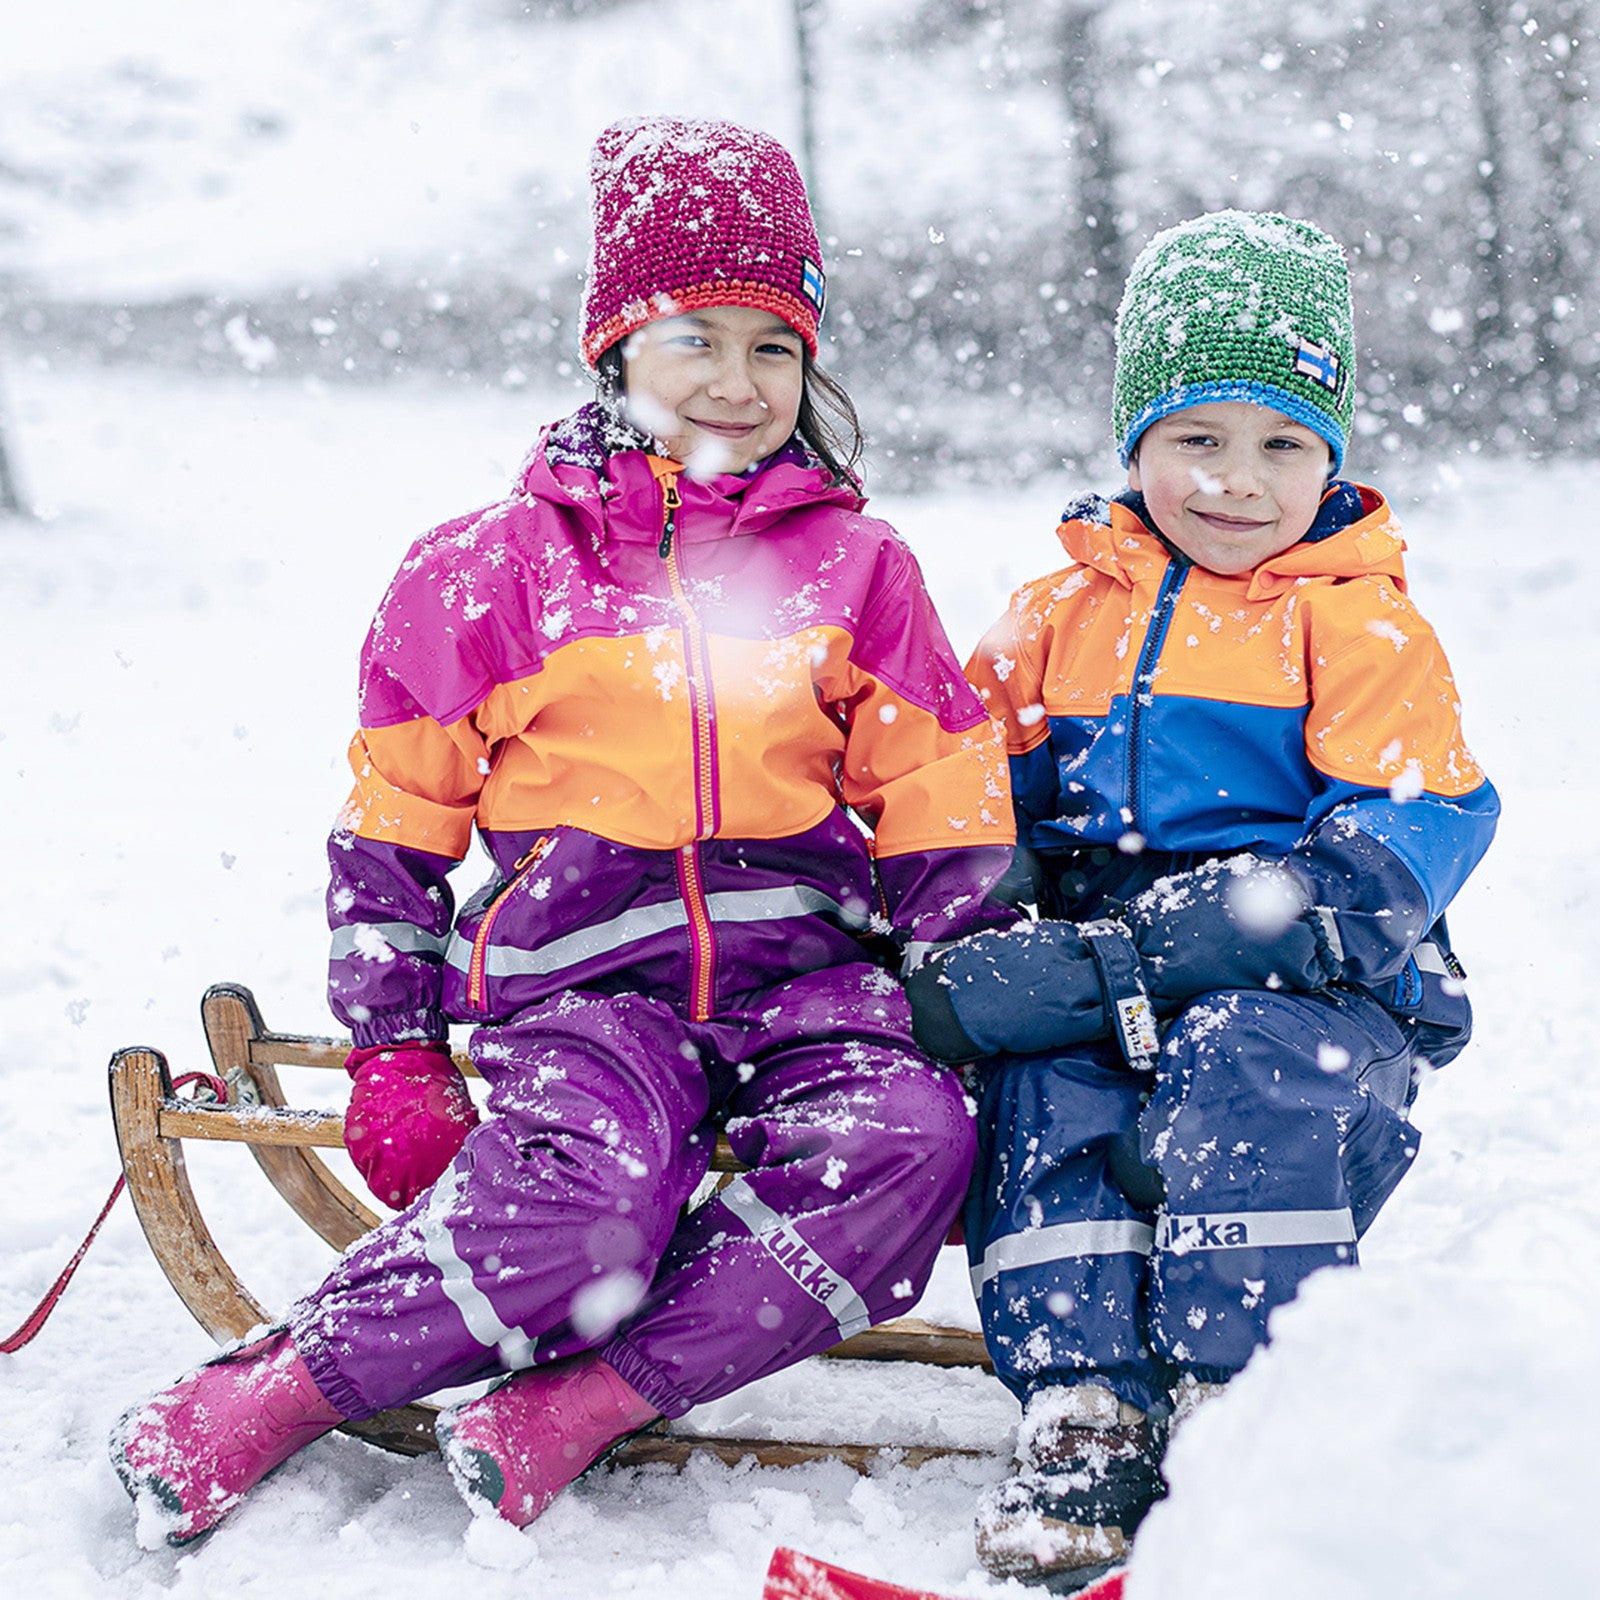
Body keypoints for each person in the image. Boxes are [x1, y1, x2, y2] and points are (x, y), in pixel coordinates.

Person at [110, 116, 1013, 1548]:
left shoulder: (859, 566)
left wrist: (967, 966)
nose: (737, 381)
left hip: (807, 990)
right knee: (584, 1214)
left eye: (773, 347)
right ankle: (284, 1384)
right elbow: (397, 826)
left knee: (909, 1145)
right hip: (583, 996)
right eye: (694, 339)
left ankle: (581, 1403)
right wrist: (397, 1043)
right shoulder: (484, 571)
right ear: (613, 351)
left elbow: (940, 794)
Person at [904, 209, 1499, 1588]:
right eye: (1198, 439)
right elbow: (965, 790)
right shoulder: (1056, 614)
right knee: (1050, 1091)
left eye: (1283, 445)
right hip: (1097, 960)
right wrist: (987, 915)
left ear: (1332, 457)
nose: (1238, 483)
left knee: (1245, 1076)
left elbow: (1411, 832)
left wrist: (1177, 940)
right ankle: (1084, 1406)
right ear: (1135, 444)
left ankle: (1244, 1401)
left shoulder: (1362, 626)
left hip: (1300, 983)